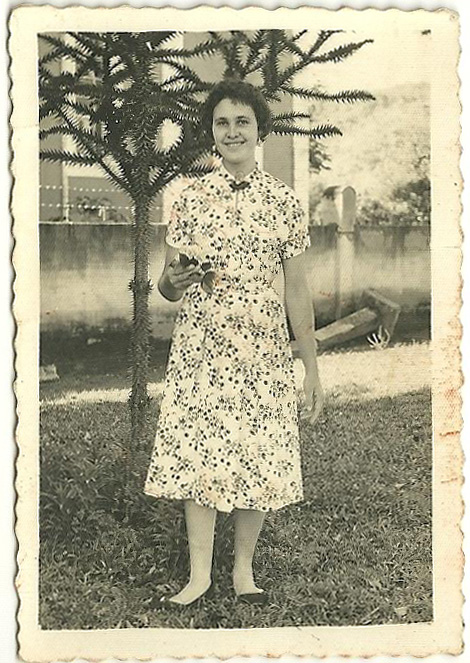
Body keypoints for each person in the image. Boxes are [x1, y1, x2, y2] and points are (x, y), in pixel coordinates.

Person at [144, 79, 324, 607]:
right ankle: (199, 576)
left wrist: (311, 368)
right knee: (200, 450)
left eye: (242, 121)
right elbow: (167, 284)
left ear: (260, 130)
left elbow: (297, 290)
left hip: (262, 348)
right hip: (201, 347)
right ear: (211, 132)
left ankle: (244, 570)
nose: (232, 132)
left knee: (258, 451)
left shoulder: (284, 202)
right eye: (222, 122)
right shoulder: (189, 198)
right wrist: (172, 282)